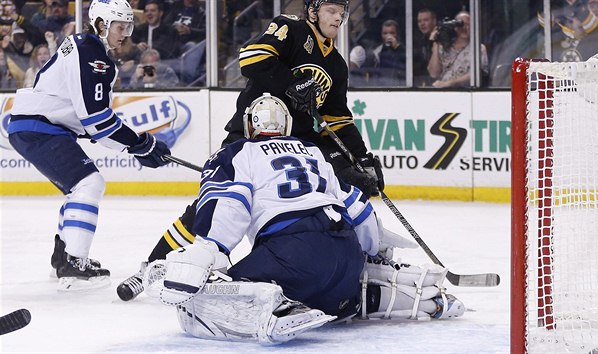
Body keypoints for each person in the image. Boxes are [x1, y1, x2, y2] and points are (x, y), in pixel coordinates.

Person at [123, 93, 466, 344]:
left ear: (249, 126)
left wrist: (209, 249)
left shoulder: (237, 152)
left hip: (294, 254)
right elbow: (360, 211)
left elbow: (230, 206)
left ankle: (281, 307)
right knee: (337, 292)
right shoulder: (314, 152)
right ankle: (401, 296)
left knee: (206, 295)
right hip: (344, 251)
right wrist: (370, 256)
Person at [116, 0, 384, 299]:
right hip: (251, 135)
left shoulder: (336, 64)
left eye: (342, 13)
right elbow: (251, 58)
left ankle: (362, 261)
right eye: (331, 11)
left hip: (297, 144)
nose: (339, 18)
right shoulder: (290, 28)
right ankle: (153, 266)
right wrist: (292, 82)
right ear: (312, 11)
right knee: (210, 207)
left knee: (336, 190)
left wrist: (361, 159)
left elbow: (337, 118)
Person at [7, 0, 171, 291]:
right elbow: (98, 121)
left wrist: (136, 145)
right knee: (89, 184)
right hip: (39, 126)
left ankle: (63, 258)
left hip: (36, 124)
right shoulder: (91, 52)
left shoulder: (85, 46)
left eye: (128, 27)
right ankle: (73, 262)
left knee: (78, 188)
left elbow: (93, 124)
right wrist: (140, 144)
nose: (125, 33)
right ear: (100, 24)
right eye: (119, 27)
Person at [428, 11, 488, 88]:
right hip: (443, 92)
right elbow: (434, 73)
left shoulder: (478, 48)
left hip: (467, 92)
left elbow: (478, 73)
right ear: (455, 27)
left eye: (468, 25)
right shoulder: (444, 47)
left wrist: (450, 83)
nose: (465, 28)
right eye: (461, 24)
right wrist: (435, 43)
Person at [369, 19, 406, 86]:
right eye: (385, 33)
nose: (388, 36)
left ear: (397, 34)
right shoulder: (377, 52)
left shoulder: (405, 50)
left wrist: (397, 47)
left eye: (392, 33)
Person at [413, 8, 437, 87]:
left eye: (426, 20)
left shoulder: (443, 40)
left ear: (434, 21)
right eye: (419, 21)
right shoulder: (419, 42)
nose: (422, 24)